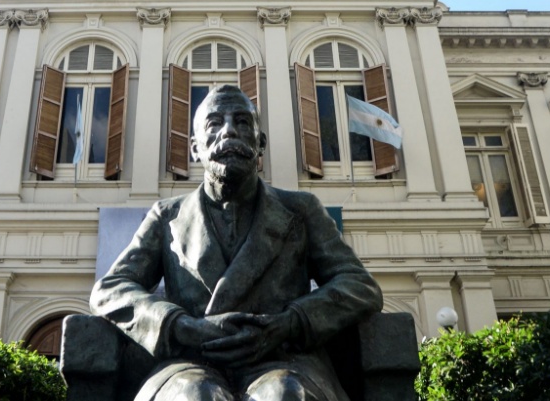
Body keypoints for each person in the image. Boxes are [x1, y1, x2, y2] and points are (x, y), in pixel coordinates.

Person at [90, 85, 383, 400]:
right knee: (195, 396)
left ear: (260, 143)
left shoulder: (300, 210)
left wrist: (290, 323)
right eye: (214, 123)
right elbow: (110, 289)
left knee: (284, 394)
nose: (229, 131)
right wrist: (179, 326)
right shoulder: (167, 216)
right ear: (195, 148)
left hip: (284, 360)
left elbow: (360, 286)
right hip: (190, 363)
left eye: (242, 122)